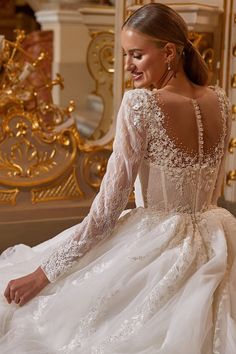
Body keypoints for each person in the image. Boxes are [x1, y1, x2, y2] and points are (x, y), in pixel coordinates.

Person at [0, 3, 235, 353]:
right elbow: (213, 191)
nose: (127, 66)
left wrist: (42, 274)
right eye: (126, 54)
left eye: (137, 55)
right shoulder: (221, 100)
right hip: (219, 238)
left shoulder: (140, 104)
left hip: (158, 245)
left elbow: (107, 212)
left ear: (169, 52)